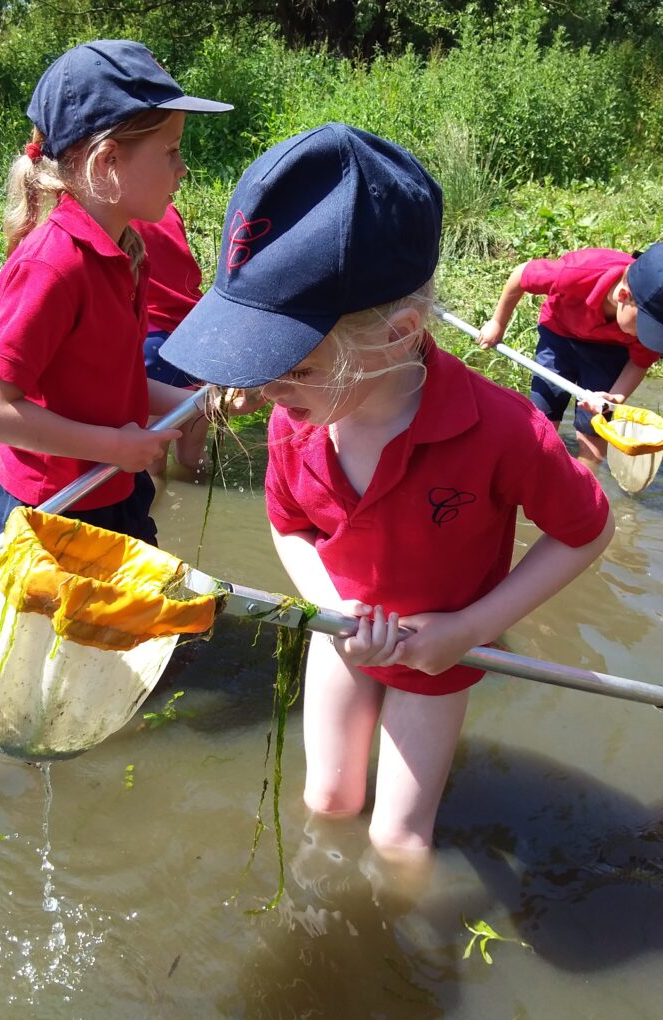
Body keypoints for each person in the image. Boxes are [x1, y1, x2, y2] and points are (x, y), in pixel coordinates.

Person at [159, 123, 615, 870]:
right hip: (344, 637)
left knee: (398, 844)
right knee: (326, 804)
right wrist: (331, 609)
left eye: (293, 366)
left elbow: (586, 530)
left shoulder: (504, 430)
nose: (265, 390)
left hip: (441, 658)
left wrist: (470, 628)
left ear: (400, 334)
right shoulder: (292, 420)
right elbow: (289, 526)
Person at [0, 39, 232, 543]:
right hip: (50, 513)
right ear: (108, 160)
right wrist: (110, 445)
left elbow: (115, 382)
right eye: (171, 152)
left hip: (113, 489)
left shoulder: (126, 250)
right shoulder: (54, 264)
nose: (183, 169)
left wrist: (197, 402)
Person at [477, 246, 663, 467]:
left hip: (611, 351)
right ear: (623, 295)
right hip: (559, 335)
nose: (648, 336)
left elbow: (639, 362)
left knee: (594, 429)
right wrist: (498, 323)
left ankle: (582, 486)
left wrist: (615, 398)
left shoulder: (652, 320)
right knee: (543, 415)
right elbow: (521, 274)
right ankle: (535, 469)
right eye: (646, 327)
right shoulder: (577, 272)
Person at [134, 208, 207, 475]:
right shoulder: (166, 208)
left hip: (151, 336)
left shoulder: (116, 213)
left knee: (152, 469)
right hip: (196, 329)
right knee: (194, 459)